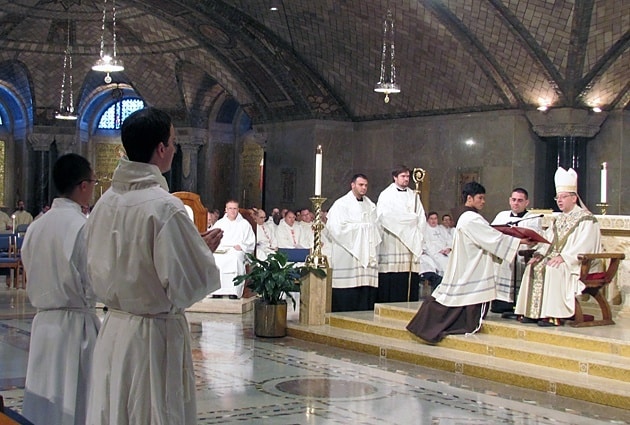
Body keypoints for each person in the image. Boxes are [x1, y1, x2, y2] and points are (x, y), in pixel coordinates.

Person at [84, 107, 223, 425]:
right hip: (151, 337)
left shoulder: (104, 203)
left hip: (114, 328)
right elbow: (186, 287)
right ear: (161, 149)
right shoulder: (165, 207)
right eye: (173, 142)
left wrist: (190, 249)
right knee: (152, 411)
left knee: (115, 409)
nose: (174, 149)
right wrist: (199, 253)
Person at [21, 154, 101, 425]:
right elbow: (94, 282)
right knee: (75, 403)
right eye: (93, 181)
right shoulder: (82, 227)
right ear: (82, 185)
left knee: (45, 401)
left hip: (44, 325)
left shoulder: (36, 226)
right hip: (74, 328)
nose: (93, 187)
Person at [406, 182, 529, 343]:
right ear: (469, 198)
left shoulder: (465, 216)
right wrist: (520, 242)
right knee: (463, 297)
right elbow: (492, 238)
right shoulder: (471, 218)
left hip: (468, 259)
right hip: (472, 264)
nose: (483, 201)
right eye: (480, 198)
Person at [515, 167, 602, 327]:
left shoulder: (587, 219)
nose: (559, 201)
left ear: (574, 198)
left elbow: (586, 244)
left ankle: (553, 315)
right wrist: (538, 254)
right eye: (557, 197)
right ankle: (532, 313)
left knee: (553, 268)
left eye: (563, 197)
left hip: (577, 263)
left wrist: (564, 257)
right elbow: (547, 241)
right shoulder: (559, 219)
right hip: (559, 258)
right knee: (534, 266)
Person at [326, 174, 381, 312]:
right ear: (352, 185)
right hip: (347, 253)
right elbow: (335, 227)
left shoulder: (371, 206)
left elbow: (377, 226)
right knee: (348, 287)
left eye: (366, 185)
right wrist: (363, 228)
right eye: (360, 185)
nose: (364, 188)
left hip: (366, 254)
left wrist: (368, 228)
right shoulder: (341, 204)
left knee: (364, 285)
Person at [376, 165, 426, 303]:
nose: (406, 179)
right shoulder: (386, 194)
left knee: (408, 275)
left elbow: (420, 217)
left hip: (410, 243)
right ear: (395, 177)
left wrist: (417, 230)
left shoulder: (414, 194)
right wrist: (408, 220)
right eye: (403, 176)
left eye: (407, 177)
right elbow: (384, 216)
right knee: (393, 276)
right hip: (393, 240)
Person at [490, 188, 542, 317]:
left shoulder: (533, 218)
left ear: (526, 202)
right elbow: (492, 234)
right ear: (509, 200)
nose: (516, 203)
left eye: (520, 200)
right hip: (504, 256)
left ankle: (518, 305)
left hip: (521, 255)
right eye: (513, 200)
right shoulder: (502, 215)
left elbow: (535, 239)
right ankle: (501, 303)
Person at [210, 200, 256, 298]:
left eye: (235, 208)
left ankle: (233, 291)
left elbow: (251, 241)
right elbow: (212, 237)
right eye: (230, 208)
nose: (232, 211)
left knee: (235, 258)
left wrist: (242, 246)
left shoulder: (244, 224)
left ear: (238, 210)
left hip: (237, 250)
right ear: (226, 210)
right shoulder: (220, 223)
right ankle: (217, 291)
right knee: (215, 259)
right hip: (221, 250)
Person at [419, 211, 452, 292]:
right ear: (428, 220)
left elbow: (450, 240)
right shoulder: (424, 230)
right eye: (431, 219)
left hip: (446, 252)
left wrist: (448, 248)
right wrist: (438, 250)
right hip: (434, 253)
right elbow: (425, 244)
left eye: (435, 219)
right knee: (442, 262)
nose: (433, 221)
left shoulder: (441, 228)